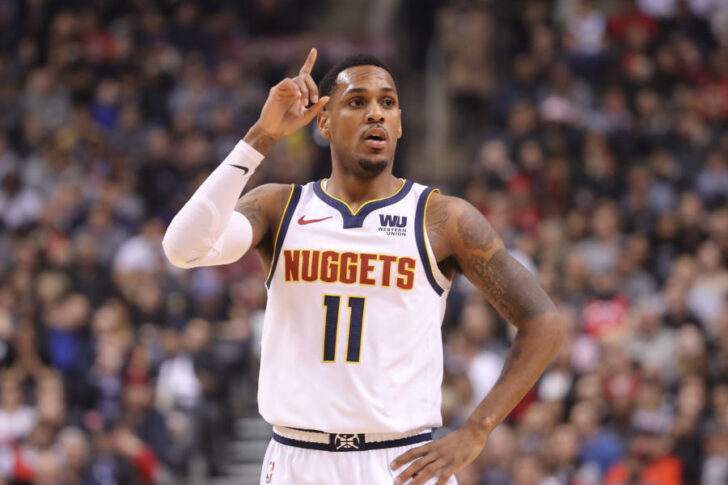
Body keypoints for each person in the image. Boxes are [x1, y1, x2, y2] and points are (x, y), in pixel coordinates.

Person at [162, 48, 564, 485]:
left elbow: (543, 321)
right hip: (298, 460)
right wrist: (261, 136)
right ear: (324, 121)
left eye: (387, 103)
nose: (376, 114)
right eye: (357, 102)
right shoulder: (279, 207)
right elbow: (183, 249)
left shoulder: (443, 218)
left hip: (400, 461)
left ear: (400, 123)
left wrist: (477, 429)